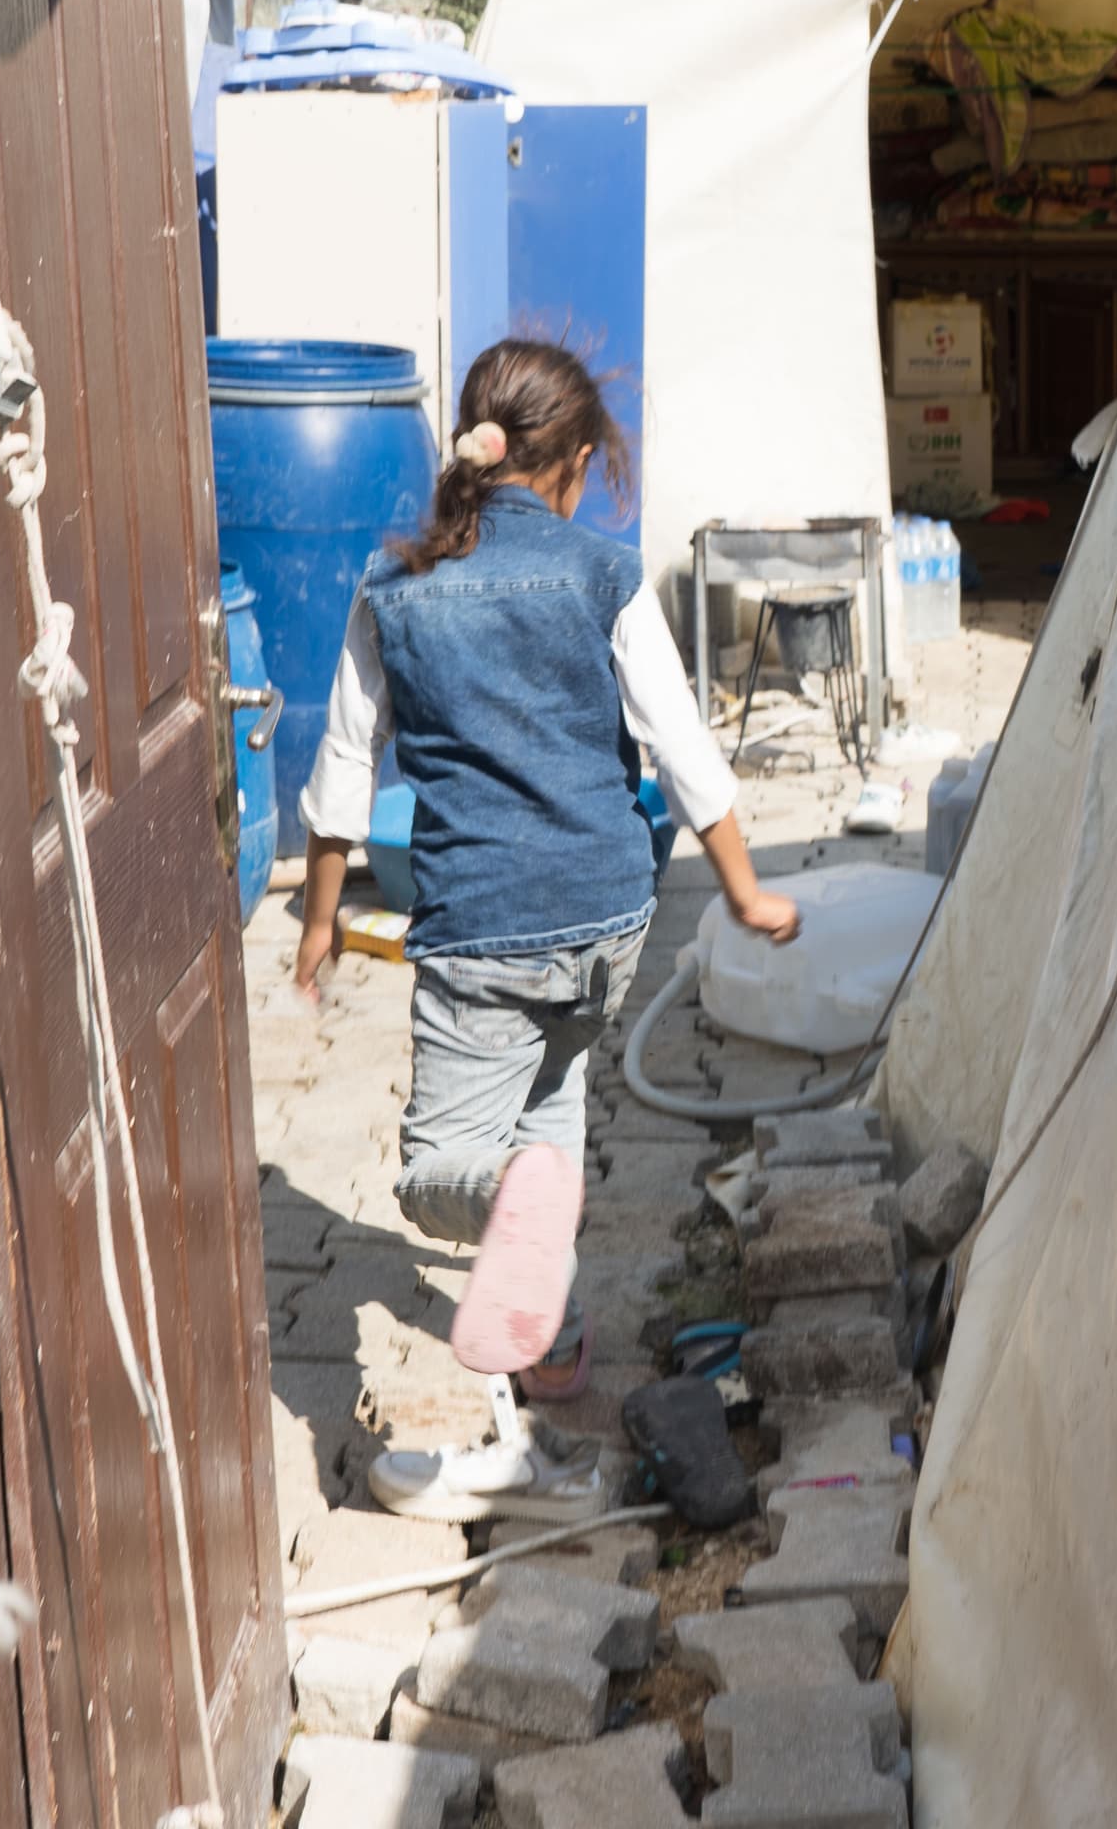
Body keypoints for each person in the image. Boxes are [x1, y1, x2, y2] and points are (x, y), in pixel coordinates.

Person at [292, 337, 800, 1522]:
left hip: (483, 931)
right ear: (571, 466)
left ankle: (525, 1210)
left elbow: (342, 771)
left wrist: (321, 921)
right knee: (551, 1097)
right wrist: (745, 891)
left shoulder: (391, 588)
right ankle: (556, 1342)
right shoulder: (606, 573)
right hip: (610, 915)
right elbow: (684, 752)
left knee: (440, 1175)